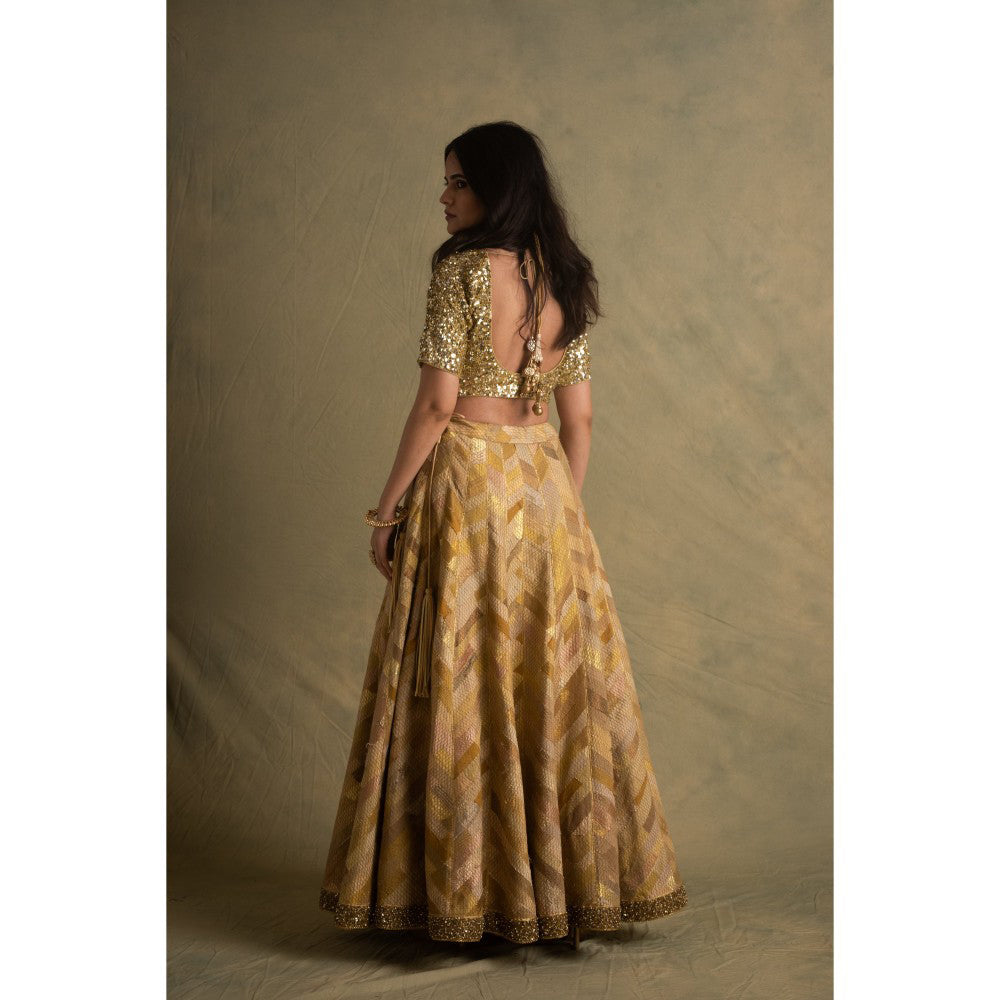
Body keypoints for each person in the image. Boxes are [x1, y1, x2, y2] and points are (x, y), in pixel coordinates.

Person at [318, 121, 688, 949]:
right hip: (545, 486)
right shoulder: (563, 276)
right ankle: (558, 896)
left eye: (457, 181)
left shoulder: (460, 271)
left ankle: (466, 894)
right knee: (544, 678)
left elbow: (437, 405)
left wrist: (387, 510)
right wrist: (557, 512)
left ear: (495, 185)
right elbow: (579, 420)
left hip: (469, 484)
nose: (444, 197)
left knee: (459, 678)